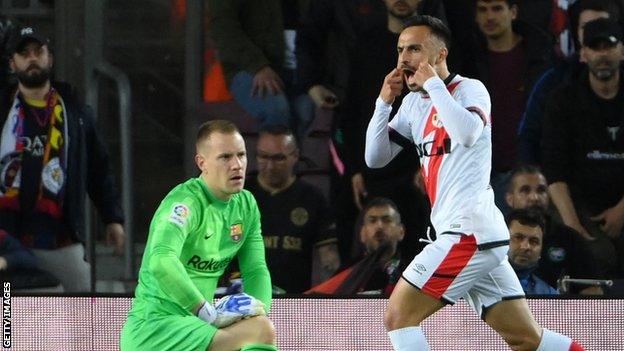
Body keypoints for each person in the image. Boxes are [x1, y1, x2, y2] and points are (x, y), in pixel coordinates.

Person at [365, 15, 584, 350]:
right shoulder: (412, 105)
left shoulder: (469, 89)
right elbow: (374, 158)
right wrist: (384, 103)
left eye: (414, 49)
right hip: (477, 239)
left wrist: (435, 84)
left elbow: (467, 133)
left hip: (469, 233)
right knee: (526, 339)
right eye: (400, 50)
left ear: (439, 55)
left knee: (398, 315)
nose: (403, 58)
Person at [297, 0, 435, 261]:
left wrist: (426, 162)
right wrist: (354, 169)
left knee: (419, 255)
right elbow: (352, 112)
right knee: (356, 253)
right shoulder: (366, 43)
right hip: (371, 166)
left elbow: (438, 113)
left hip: (414, 169)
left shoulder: (435, 47)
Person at [120, 120, 277, 351]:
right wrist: (205, 311)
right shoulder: (185, 204)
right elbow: (161, 261)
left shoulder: (246, 206)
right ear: (201, 163)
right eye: (225, 157)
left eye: (241, 155)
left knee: (258, 326)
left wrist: (255, 309)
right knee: (261, 331)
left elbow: (255, 269)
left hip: (198, 327)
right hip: (156, 328)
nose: (237, 165)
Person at [0, 26, 125, 292]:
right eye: (24, 54)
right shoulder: (3, 111)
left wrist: (112, 217)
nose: (32, 58)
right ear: (13, 63)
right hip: (9, 241)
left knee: (81, 320)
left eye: (39, 51)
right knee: (10, 326)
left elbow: (98, 168)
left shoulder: (75, 112)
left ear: (50, 58)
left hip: (61, 239)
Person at [542, 17, 624, 279]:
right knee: (593, 254)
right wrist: (573, 227)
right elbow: (554, 170)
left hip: (621, 199)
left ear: (622, 51)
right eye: (594, 47)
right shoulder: (563, 99)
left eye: (609, 46)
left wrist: (621, 210)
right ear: (583, 54)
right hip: (580, 202)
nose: (602, 54)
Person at [472, 0, 553, 212]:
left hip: (533, 172)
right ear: (476, 17)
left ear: (513, 12)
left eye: (497, 8)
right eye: (483, 10)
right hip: (485, 175)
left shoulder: (540, 56)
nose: (490, 16)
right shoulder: (468, 61)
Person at [518, 0, 620, 165]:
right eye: (586, 27)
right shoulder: (552, 83)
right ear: (575, 33)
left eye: (602, 25)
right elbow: (529, 138)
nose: (595, 34)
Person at [245, 125, 340, 292]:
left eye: (278, 158)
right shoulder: (240, 196)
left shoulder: (312, 198)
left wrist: (328, 300)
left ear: (295, 156)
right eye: (263, 157)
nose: (270, 166)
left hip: (293, 302)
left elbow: (329, 259)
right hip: (243, 301)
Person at [206, 0, 314, 137]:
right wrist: (257, 66)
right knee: (276, 109)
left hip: (297, 67)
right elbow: (224, 29)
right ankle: (271, 156)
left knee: (305, 109)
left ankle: (288, 155)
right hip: (247, 67)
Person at [505, 166, 589, 291]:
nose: (534, 197)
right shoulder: (492, 234)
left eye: (541, 190)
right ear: (510, 198)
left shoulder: (570, 237)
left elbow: (592, 288)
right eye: (525, 190)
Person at [307, 197, 405, 296]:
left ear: (401, 231)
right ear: (362, 234)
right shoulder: (347, 273)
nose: (379, 226)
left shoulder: (412, 270)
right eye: (372, 221)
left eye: (386, 220)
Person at [506, 208, 559, 295]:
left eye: (534, 241)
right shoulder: (479, 285)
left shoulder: (548, 295)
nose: (525, 247)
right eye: (518, 238)